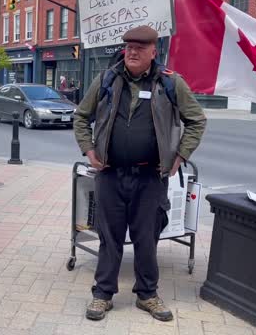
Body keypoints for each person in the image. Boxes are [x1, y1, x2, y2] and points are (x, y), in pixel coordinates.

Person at [73, 25, 206, 322]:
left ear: (152, 52)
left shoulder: (171, 84)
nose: (132, 52)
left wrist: (180, 155)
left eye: (140, 48)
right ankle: (102, 294)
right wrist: (89, 150)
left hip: (150, 177)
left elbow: (197, 120)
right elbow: (82, 117)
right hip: (110, 174)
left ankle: (147, 295)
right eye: (129, 47)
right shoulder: (107, 79)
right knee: (110, 237)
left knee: (147, 238)